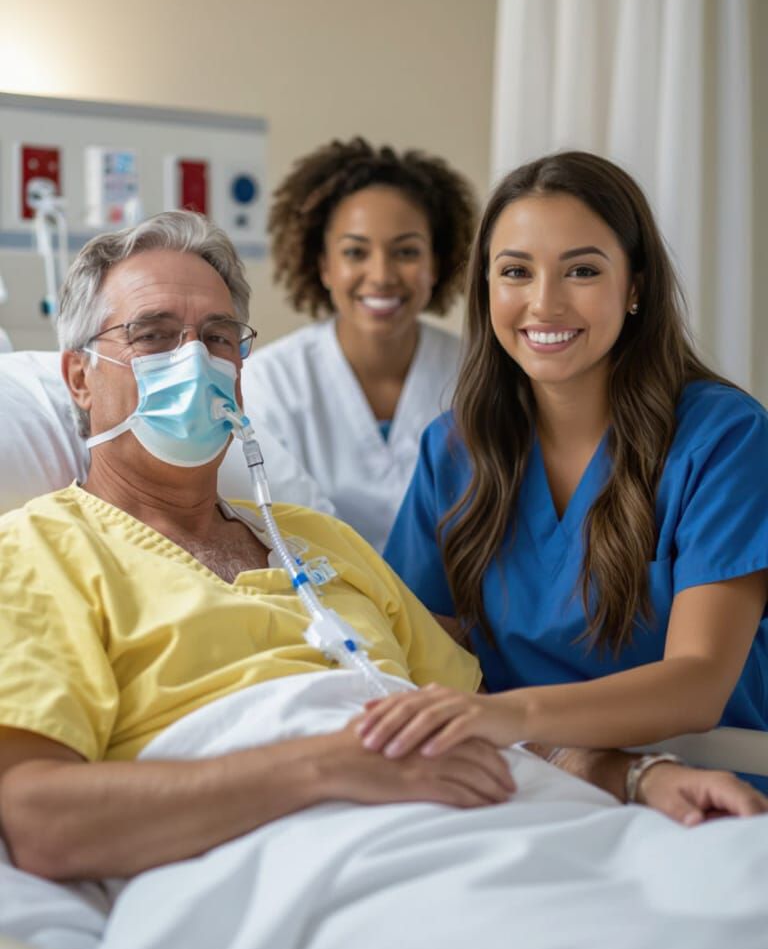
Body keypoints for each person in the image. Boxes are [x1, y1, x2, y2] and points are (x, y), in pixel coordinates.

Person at [0, 210, 761, 888]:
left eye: (218, 337)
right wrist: (328, 764)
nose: (194, 361)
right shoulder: (39, 551)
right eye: (154, 335)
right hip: (319, 861)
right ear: (77, 379)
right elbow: (40, 819)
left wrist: (633, 773)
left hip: (510, 822)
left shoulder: (315, 541)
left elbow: (481, 716)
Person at [372, 151, 768, 775]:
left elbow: (699, 684)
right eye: (516, 272)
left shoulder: (723, 439)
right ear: (487, 288)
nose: (544, 304)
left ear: (634, 286)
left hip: (704, 785)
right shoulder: (454, 450)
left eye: (581, 270)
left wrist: (515, 715)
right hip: (531, 779)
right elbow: (421, 648)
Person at [240, 137, 477, 551]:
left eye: (406, 251)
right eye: (355, 252)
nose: (382, 275)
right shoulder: (270, 384)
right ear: (324, 265)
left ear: (436, 263)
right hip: (321, 607)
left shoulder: (477, 373)